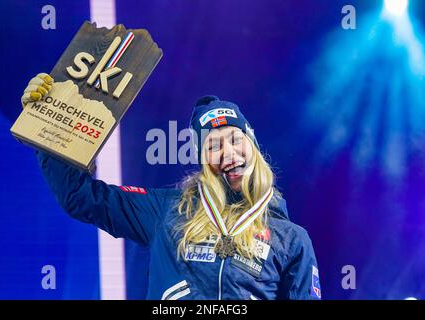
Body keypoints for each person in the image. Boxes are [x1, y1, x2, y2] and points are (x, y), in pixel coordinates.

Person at [21, 73, 322, 300]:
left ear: (252, 144)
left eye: (235, 140)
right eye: (214, 146)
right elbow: (82, 197)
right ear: (203, 159)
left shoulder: (291, 240)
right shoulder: (167, 210)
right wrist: (51, 128)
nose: (229, 154)